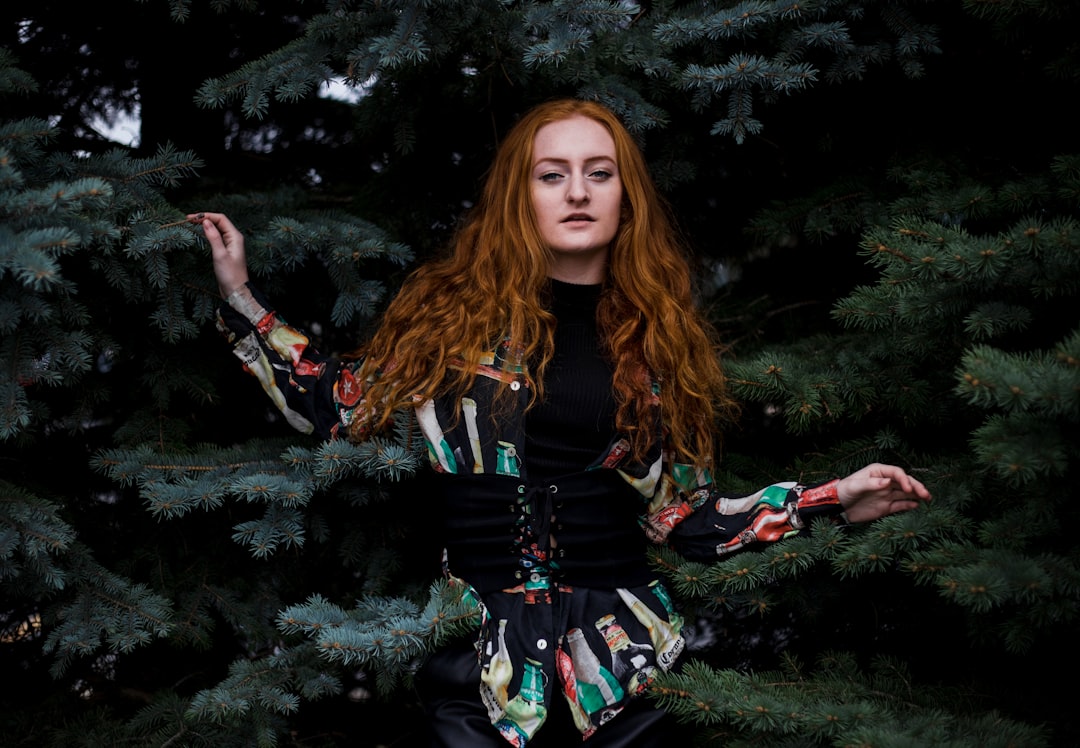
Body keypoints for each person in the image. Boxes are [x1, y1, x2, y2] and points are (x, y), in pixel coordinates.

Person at [189, 98, 930, 747]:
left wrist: (827, 500)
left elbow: (684, 521)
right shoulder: (452, 325)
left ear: (625, 195)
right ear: (523, 195)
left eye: (599, 173)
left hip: (625, 671)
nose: (577, 191)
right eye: (552, 175)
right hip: (481, 667)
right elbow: (337, 405)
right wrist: (241, 299)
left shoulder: (657, 345)